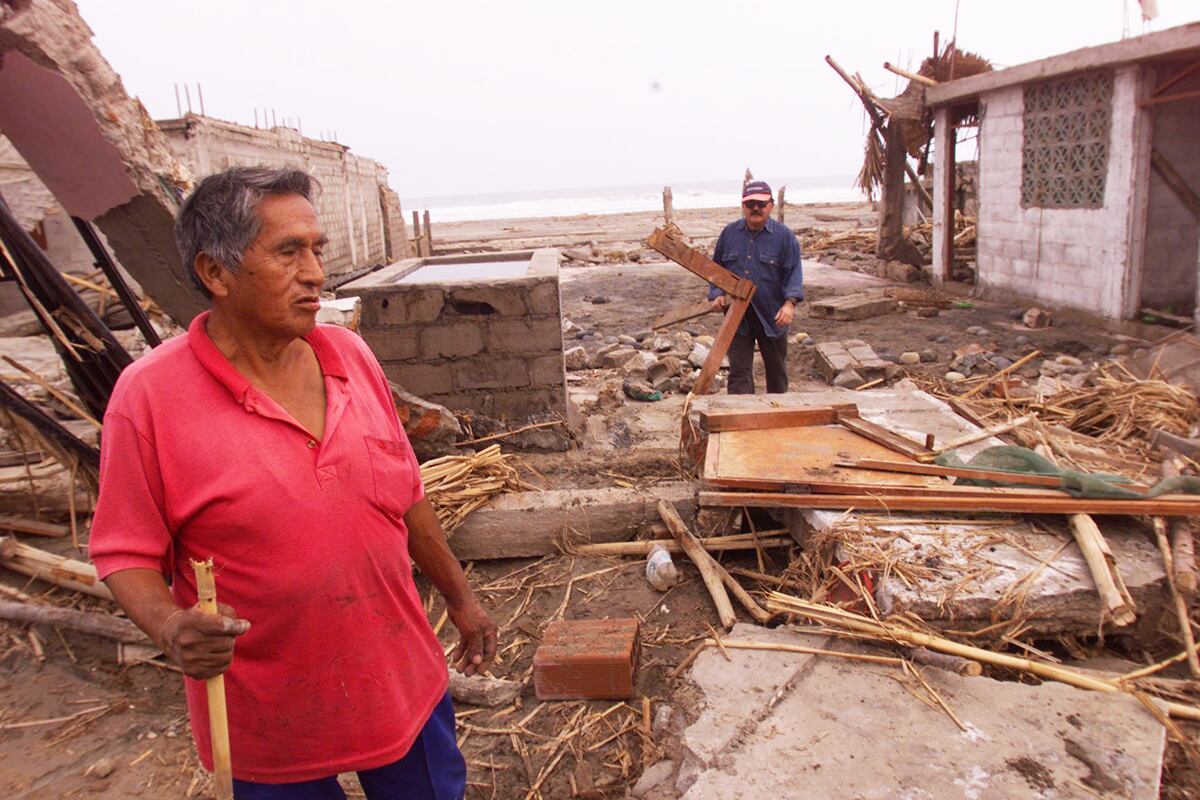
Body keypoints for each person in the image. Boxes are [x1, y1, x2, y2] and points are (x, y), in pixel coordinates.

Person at [89, 167, 495, 799]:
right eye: (288, 252)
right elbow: (123, 551)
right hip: (267, 719)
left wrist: (461, 598)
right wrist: (170, 627)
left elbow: (406, 492)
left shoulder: (350, 357)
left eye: (317, 250)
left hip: (398, 680)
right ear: (215, 274)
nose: (315, 273)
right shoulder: (149, 398)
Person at [708, 181, 803, 393]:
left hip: (772, 315)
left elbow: (794, 273)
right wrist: (717, 294)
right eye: (750, 204)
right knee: (739, 372)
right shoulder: (729, 234)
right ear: (743, 206)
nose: (756, 208)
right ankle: (741, 418)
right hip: (737, 317)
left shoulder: (784, 237)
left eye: (761, 203)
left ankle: (776, 417)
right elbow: (715, 270)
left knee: (777, 371)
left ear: (771, 205)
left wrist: (789, 304)